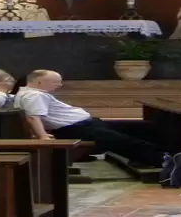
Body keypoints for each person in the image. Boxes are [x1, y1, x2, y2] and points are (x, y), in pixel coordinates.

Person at [15, 70, 166, 168]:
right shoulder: (34, 95)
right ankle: (162, 161)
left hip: (86, 125)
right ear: (39, 82)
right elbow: (33, 117)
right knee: (124, 141)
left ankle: (150, 157)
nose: (59, 85)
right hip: (77, 129)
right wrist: (42, 137)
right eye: (56, 82)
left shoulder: (31, 94)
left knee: (144, 128)